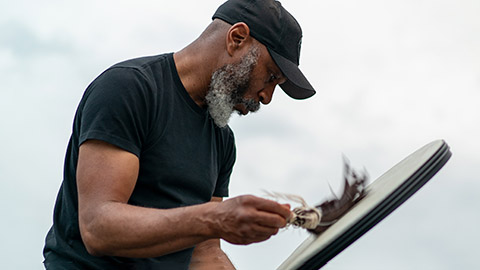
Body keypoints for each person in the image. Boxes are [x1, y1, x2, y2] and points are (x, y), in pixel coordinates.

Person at [43, 0, 316, 269]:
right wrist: (215, 218)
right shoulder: (129, 89)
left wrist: (213, 224)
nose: (267, 97)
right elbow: (97, 229)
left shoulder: (222, 140)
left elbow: (204, 253)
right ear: (237, 38)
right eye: (270, 77)